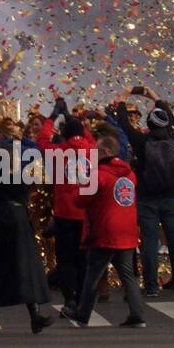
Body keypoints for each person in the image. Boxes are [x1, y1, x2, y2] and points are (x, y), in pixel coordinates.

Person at [0, 117, 53, 334]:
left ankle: (34, 316)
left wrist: (21, 141)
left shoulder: (18, 177)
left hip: (17, 228)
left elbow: (35, 170)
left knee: (25, 272)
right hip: (4, 228)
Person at [67, 128, 146, 328]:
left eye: (97, 151)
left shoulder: (98, 175)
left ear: (106, 152)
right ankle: (137, 313)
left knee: (93, 274)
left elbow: (80, 200)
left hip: (104, 230)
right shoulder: (130, 174)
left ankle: (83, 313)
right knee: (127, 273)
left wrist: (80, 182)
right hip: (127, 230)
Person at [37, 100, 93, 315]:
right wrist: (72, 118)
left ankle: (70, 299)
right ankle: (82, 298)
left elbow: (42, 141)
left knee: (66, 259)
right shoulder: (92, 150)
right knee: (83, 259)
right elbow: (88, 136)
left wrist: (52, 117)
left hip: (65, 213)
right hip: (86, 214)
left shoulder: (58, 152)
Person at [132, 100, 174, 296]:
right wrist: (159, 101)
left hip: (147, 199)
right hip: (172, 197)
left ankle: (151, 286)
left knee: (149, 242)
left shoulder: (140, 142)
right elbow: (173, 121)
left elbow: (122, 123)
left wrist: (121, 101)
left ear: (148, 124)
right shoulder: (172, 138)